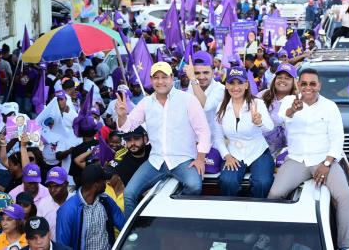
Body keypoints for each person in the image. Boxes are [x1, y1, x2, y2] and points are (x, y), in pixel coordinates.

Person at [268, 68, 349, 250]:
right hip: (296, 160)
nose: (308, 87)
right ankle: (275, 242)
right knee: (274, 195)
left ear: (319, 86)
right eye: (304, 83)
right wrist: (293, 109)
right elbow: (282, 118)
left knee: (344, 196)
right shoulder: (289, 101)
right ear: (298, 84)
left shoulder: (330, 106)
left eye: (312, 83)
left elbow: (337, 138)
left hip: (323, 160)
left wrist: (327, 163)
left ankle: (345, 245)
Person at [116, 62, 211, 219]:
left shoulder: (188, 100)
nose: (160, 81)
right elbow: (127, 127)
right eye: (156, 77)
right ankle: (133, 237)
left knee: (194, 186)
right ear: (151, 80)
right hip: (156, 161)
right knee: (129, 194)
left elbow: (203, 131)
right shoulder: (146, 102)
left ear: (172, 78)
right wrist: (121, 115)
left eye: (164, 77)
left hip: (183, 160)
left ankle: (177, 216)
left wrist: (200, 159)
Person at [213, 67, 275, 198]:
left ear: (246, 84)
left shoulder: (257, 103)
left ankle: (257, 212)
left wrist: (259, 122)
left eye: (240, 83)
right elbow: (218, 137)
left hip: (258, 151)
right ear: (226, 85)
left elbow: (270, 127)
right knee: (227, 181)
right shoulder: (221, 107)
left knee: (262, 183)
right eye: (232, 83)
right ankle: (230, 212)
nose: (236, 87)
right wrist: (227, 156)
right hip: (234, 153)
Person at [56, 164, 125, 250]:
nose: (106, 183)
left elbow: (124, 225)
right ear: (96, 185)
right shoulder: (67, 210)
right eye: (103, 181)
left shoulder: (106, 201)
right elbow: (62, 246)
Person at [184, 51, 225, 173]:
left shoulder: (221, 89)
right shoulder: (191, 87)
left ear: (213, 71)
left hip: (215, 145)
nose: (201, 77)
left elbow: (205, 106)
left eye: (206, 72)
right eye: (197, 73)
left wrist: (193, 79)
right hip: (193, 145)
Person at [259, 63, 297, 157]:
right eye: (279, 77)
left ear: (294, 82)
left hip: (288, 155)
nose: (282, 80)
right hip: (260, 152)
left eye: (287, 78)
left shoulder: (298, 101)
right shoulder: (262, 96)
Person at [37, 167, 74, 242]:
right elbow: (40, 231)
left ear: (66, 184)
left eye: (56, 186)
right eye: (49, 186)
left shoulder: (75, 201)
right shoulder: (43, 204)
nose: (52, 190)